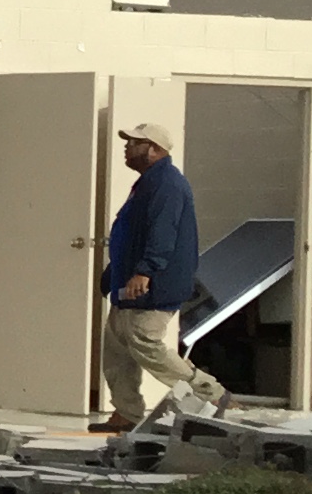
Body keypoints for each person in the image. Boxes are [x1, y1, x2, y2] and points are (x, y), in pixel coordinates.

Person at [96, 120, 224, 432]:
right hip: (131, 282)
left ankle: (209, 391)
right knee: (116, 347)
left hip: (154, 283)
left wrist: (145, 271)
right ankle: (126, 413)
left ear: (154, 149)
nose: (127, 147)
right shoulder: (148, 183)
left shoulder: (167, 184)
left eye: (134, 143)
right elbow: (133, 234)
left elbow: (162, 233)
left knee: (145, 342)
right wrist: (115, 273)